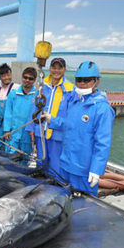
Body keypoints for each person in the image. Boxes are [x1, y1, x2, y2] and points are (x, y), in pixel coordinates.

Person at [42, 61, 115, 197]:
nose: (82, 83)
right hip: (65, 165)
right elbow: (68, 125)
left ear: (96, 82)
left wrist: (96, 169)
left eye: (87, 80)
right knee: (63, 200)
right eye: (79, 80)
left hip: (83, 170)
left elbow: (103, 143)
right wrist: (51, 119)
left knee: (84, 208)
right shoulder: (75, 103)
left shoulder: (101, 109)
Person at [25, 57, 76, 182]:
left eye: (59, 68)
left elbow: (71, 117)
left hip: (58, 136)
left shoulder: (70, 90)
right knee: (41, 163)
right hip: (41, 133)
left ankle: (55, 189)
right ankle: (39, 187)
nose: (56, 70)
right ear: (50, 69)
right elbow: (35, 108)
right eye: (54, 67)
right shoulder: (43, 86)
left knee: (56, 166)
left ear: (64, 69)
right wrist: (31, 128)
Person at [3, 67, 38, 164]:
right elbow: (8, 113)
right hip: (13, 133)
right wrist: (7, 130)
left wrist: (35, 131)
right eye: (25, 77)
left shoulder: (37, 96)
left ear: (34, 80)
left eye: (31, 79)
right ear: (22, 78)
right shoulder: (13, 95)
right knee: (10, 159)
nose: (27, 80)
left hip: (28, 135)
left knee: (25, 160)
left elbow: (38, 116)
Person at [0, 63, 20, 150]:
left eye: (8, 75)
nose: (7, 77)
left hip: (12, 124)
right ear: (0, 77)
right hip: (0, 124)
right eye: (4, 75)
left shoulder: (17, 88)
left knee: (10, 146)